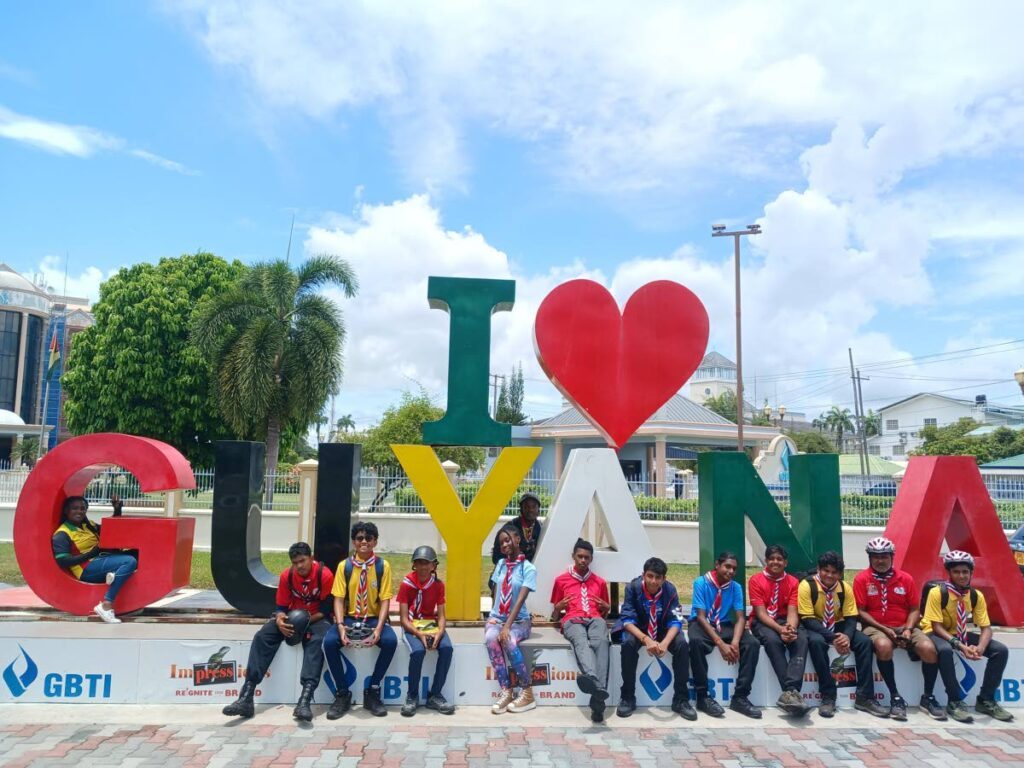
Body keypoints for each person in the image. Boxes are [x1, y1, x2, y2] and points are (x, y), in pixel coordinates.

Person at [223, 542, 334, 721]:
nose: (299, 566)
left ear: (311, 558)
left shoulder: (325, 575)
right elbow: (281, 607)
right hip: (292, 617)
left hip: (317, 617)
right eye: (295, 562)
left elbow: (326, 609)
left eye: (302, 561)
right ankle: (246, 697)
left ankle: (304, 701)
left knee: (317, 640)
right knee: (262, 636)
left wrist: (302, 623)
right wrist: (281, 619)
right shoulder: (287, 576)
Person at [853, 537, 942, 721]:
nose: (880, 560)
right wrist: (885, 629)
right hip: (875, 627)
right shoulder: (862, 579)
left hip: (904, 625)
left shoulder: (905, 578)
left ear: (892, 557)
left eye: (884, 556)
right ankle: (895, 697)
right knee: (884, 646)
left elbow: (915, 609)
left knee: (929, 649)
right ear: (869, 558)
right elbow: (860, 611)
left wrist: (909, 629)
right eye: (875, 556)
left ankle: (928, 697)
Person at [922, 550, 1014, 723]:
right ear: (949, 573)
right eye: (956, 572)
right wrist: (960, 645)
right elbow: (936, 626)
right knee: (945, 650)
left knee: (1000, 650)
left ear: (972, 573)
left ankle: (986, 700)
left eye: (965, 572)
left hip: (959, 632)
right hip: (934, 632)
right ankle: (954, 701)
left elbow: (986, 628)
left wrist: (980, 647)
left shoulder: (975, 595)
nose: (961, 576)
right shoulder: (937, 592)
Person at [799, 550, 888, 718]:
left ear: (840, 574)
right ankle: (828, 696)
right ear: (819, 569)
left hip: (838, 624)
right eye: (826, 571)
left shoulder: (844, 588)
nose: (829, 576)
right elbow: (807, 618)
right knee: (816, 643)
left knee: (864, 642)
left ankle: (865, 696)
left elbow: (851, 617)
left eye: (834, 572)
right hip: (815, 624)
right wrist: (833, 637)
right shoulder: (807, 585)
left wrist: (846, 636)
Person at [321, 522, 396, 719]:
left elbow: (385, 599)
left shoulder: (382, 566)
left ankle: (373, 690)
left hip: (372, 618)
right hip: (349, 617)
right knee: (329, 643)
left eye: (368, 538)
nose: (364, 542)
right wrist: (340, 626)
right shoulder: (344, 566)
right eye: (359, 538)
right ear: (354, 542)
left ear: (375, 542)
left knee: (390, 641)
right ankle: (342, 693)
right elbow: (338, 598)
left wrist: (379, 629)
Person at [617, 557, 695, 720]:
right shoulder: (632, 587)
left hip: (662, 629)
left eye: (658, 577)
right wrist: (646, 639)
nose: (653, 581)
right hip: (639, 629)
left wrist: (665, 642)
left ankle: (681, 699)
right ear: (643, 575)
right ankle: (627, 697)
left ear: (664, 579)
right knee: (628, 644)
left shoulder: (670, 590)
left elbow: (676, 620)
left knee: (681, 644)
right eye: (650, 576)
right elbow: (627, 620)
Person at [689, 551, 762, 719]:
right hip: (702, 623)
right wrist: (721, 644)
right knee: (695, 642)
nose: (730, 571)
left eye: (734, 569)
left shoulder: (735, 587)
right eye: (727, 566)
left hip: (722, 623)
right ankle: (703, 697)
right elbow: (700, 616)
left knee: (752, 644)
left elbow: (740, 617)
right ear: (717, 565)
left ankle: (740, 697)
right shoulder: (701, 582)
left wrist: (735, 642)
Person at [550, 538, 611, 722]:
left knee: (601, 642)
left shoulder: (599, 582)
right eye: (580, 556)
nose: (583, 560)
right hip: (572, 620)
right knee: (581, 640)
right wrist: (558, 607)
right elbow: (554, 616)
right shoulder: (561, 580)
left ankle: (595, 687)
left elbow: (604, 610)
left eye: (587, 557)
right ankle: (595, 684)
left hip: (595, 619)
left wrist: (606, 608)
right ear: (573, 557)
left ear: (591, 559)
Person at [52, 493, 135, 623]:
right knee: (129, 561)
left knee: (136, 554)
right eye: (75, 508)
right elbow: (63, 561)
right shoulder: (62, 534)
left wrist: (117, 510)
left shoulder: (88, 525)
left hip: (101, 560)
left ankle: (115, 576)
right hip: (86, 569)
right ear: (66, 511)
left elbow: (111, 529)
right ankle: (106, 605)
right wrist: (92, 553)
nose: (79, 511)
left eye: (82, 508)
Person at [747, 545, 809, 716]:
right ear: (766, 561)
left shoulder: (793, 582)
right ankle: (790, 691)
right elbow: (760, 613)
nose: (775, 562)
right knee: (773, 641)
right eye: (772, 559)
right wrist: (780, 630)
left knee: (801, 639)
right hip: (763, 621)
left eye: (779, 559)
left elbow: (792, 610)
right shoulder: (755, 580)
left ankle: (791, 692)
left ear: (785, 562)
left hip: (784, 620)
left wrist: (790, 629)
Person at [397, 545, 455, 717]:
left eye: (426, 563)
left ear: (433, 566)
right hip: (412, 625)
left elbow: (442, 615)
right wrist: (419, 634)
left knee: (446, 648)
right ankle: (412, 696)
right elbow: (403, 619)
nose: (423, 567)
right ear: (414, 565)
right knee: (418, 651)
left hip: (430, 623)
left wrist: (439, 632)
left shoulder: (438, 585)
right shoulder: (406, 584)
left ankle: (435, 694)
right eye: (419, 563)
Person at [487, 524, 538, 714]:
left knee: (507, 640)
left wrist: (507, 626)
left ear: (518, 540)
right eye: (501, 543)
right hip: (498, 618)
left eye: (507, 540)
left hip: (519, 621)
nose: (505, 545)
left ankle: (527, 692)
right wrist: (494, 617)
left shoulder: (528, 568)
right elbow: (496, 591)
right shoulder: (500, 565)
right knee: (491, 639)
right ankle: (506, 691)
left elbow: (521, 599)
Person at [491, 492, 543, 565]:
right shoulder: (508, 529)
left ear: (538, 511)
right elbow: (496, 558)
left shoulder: (542, 529)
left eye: (534, 506)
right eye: (526, 506)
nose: (530, 509)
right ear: (521, 509)